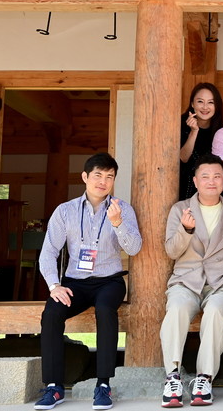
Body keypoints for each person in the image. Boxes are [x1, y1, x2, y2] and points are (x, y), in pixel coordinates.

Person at [36, 153, 141, 411]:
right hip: (75, 282)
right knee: (51, 313)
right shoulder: (65, 211)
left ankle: (103, 384)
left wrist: (118, 223)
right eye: (98, 175)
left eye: (109, 177)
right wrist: (54, 286)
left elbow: (134, 248)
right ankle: (54, 386)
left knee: (105, 309)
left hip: (110, 281)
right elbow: (48, 251)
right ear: (85, 177)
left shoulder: (122, 209)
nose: (103, 182)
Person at [159, 154, 223, 408]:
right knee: (176, 309)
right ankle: (173, 377)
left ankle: (204, 378)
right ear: (195, 181)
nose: (211, 181)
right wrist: (186, 230)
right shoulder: (180, 209)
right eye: (205, 176)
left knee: (215, 312)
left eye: (217, 176)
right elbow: (172, 251)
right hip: (187, 279)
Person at [180, 83, 223, 200]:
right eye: (200, 101)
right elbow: (183, 158)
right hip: (184, 188)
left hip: (211, 190)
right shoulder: (180, 125)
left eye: (210, 102)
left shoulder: (221, 130)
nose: (205, 107)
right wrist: (194, 131)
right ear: (192, 104)